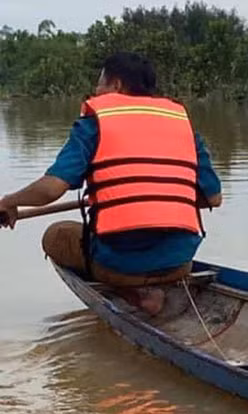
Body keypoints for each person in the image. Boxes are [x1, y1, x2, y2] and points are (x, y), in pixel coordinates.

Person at [0, 52, 222, 315]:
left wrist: (8, 201)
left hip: (120, 266)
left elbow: (52, 188)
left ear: (116, 85)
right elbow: (213, 198)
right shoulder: (183, 126)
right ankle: (158, 286)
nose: (96, 90)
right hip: (179, 262)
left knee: (56, 235)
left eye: (99, 83)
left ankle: (131, 292)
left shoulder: (93, 125)